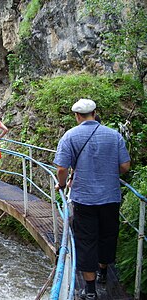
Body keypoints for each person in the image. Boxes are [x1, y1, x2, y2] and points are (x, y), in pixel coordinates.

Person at [53, 98, 130, 300]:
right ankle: (103, 272)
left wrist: (61, 184)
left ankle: (89, 289)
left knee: (86, 240)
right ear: (95, 113)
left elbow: (62, 168)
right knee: (107, 235)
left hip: (84, 198)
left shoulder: (70, 136)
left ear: (77, 116)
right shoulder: (114, 136)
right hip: (110, 197)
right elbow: (125, 167)